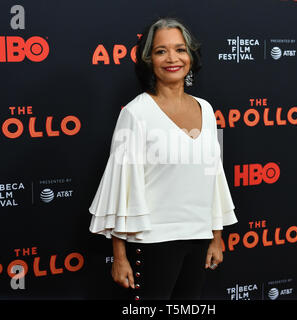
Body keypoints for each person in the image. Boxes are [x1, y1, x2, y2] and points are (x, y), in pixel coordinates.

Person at [88, 16, 237, 300]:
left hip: (199, 237)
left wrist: (216, 237)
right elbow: (121, 187)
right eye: (161, 51)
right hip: (154, 241)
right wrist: (120, 257)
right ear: (148, 60)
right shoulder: (135, 113)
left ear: (191, 57)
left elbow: (213, 175)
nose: (172, 58)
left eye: (180, 49)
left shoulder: (206, 109)